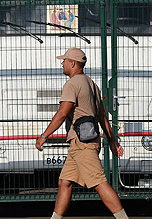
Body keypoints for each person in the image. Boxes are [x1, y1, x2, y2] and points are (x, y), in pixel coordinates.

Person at [35, 48, 128, 219]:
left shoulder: (72, 84)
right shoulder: (92, 84)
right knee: (65, 182)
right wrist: (112, 141)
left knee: (99, 183)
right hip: (84, 143)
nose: (61, 63)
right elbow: (102, 116)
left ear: (72, 63)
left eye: (64, 60)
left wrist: (43, 136)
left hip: (81, 144)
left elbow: (62, 113)